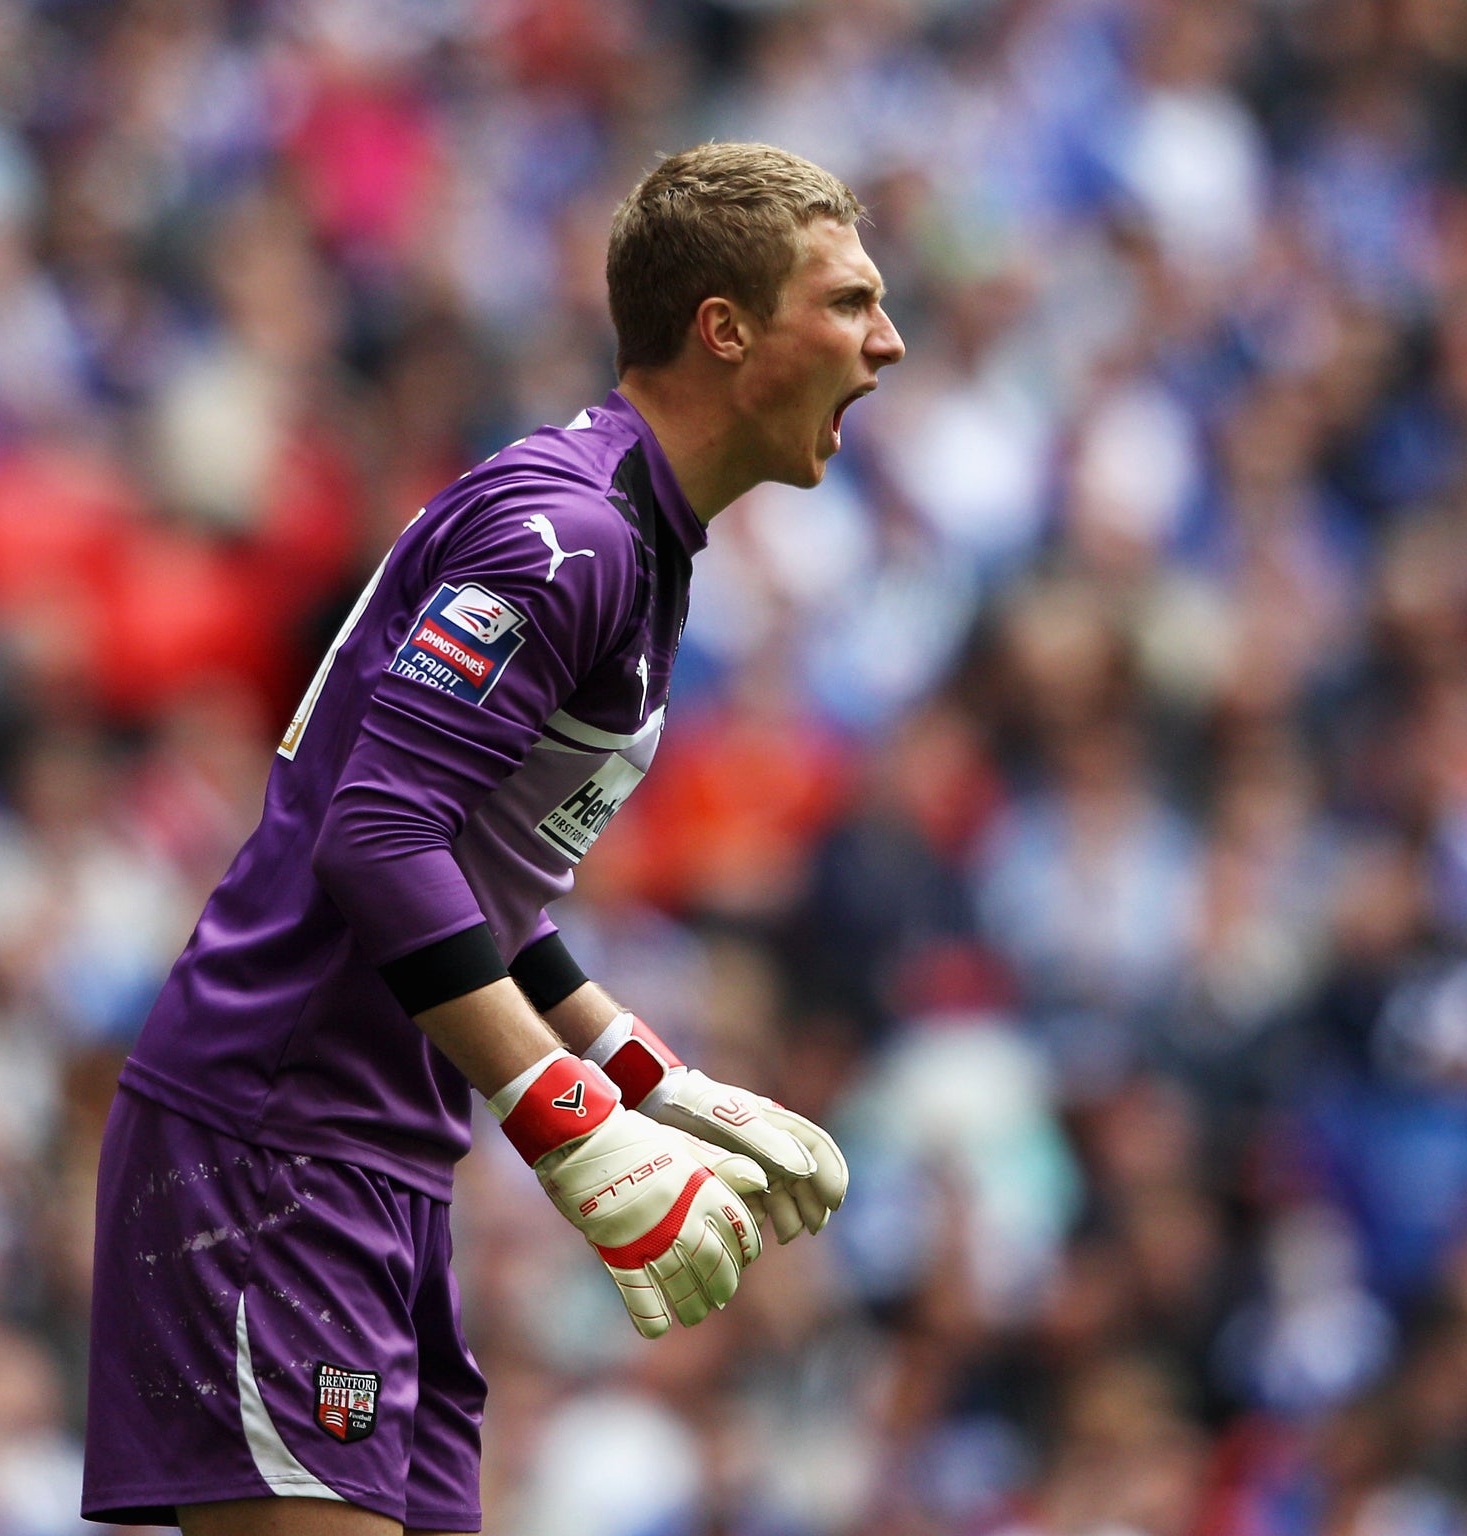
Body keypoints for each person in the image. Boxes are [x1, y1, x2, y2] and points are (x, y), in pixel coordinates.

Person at [80, 142, 905, 1536]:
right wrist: (569, 1126)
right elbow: (379, 838)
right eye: (847, 303)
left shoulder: (637, 541)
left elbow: (471, 878)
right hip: (278, 1145)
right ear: (726, 328)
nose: (886, 344)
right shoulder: (565, 539)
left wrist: (642, 1075)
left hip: (374, 1156)